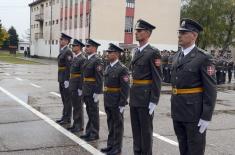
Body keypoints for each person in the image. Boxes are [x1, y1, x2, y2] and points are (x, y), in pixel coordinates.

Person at [171, 18, 217, 155]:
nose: (180, 35)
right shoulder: (176, 56)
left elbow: (211, 89)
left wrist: (206, 116)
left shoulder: (203, 58)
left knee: (195, 150)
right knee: (183, 147)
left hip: (194, 113)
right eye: (179, 32)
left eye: (184, 33)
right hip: (178, 110)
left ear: (194, 35)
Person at [129, 19, 162, 155]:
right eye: (136, 30)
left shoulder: (153, 52)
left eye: (139, 31)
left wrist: (154, 100)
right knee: (136, 129)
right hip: (135, 96)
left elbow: (157, 78)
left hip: (145, 97)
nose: (136, 33)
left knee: (146, 131)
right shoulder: (136, 51)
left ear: (147, 33)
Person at [100, 43, 130, 155]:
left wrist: (122, 103)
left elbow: (125, 88)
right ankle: (110, 145)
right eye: (108, 52)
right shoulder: (108, 67)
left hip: (117, 101)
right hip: (108, 99)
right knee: (110, 123)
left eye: (110, 52)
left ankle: (117, 148)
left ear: (117, 54)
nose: (108, 54)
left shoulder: (122, 69)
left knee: (117, 125)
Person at [80, 39, 103, 141]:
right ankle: (89, 131)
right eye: (86, 46)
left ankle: (94, 133)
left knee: (93, 112)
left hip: (92, 89)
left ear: (94, 48)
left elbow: (99, 78)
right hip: (86, 89)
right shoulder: (87, 59)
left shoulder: (97, 60)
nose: (86, 48)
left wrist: (97, 92)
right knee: (89, 111)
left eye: (88, 46)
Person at [67, 39, 86, 133]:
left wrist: (80, 88)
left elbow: (82, 75)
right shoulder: (75, 57)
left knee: (78, 106)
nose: (72, 47)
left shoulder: (82, 59)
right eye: (72, 46)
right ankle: (75, 124)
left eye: (74, 46)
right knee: (75, 105)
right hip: (73, 84)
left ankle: (79, 126)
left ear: (79, 47)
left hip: (77, 85)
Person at [56, 33, 73, 125]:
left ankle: (67, 118)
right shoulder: (62, 50)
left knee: (67, 99)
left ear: (67, 41)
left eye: (62, 39)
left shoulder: (68, 51)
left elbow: (69, 67)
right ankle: (64, 116)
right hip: (61, 77)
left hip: (65, 78)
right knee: (64, 99)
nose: (60, 41)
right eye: (60, 39)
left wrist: (67, 79)